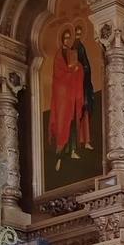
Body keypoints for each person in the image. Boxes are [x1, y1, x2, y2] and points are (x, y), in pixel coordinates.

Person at [48, 27, 83, 170]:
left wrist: (77, 68)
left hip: (71, 96)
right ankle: (59, 157)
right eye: (66, 38)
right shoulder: (59, 55)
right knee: (63, 124)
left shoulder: (71, 53)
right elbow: (59, 74)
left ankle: (72, 150)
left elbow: (77, 67)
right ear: (62, 39)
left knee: (72, 122)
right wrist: (71, 70)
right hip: (62, 97)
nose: (68, 40)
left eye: (69, 38)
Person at [72, 23, 94, 149]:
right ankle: (80, 140)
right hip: (78, 87)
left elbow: (85, 65)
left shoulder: (80, 46)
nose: (78, 36)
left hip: (84, 85)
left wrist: (85, 70)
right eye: (77, 33)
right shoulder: (75, 48)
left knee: (85, 112)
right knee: (79, 113)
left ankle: (86, 141)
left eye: (80, 34)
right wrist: (82, 68)